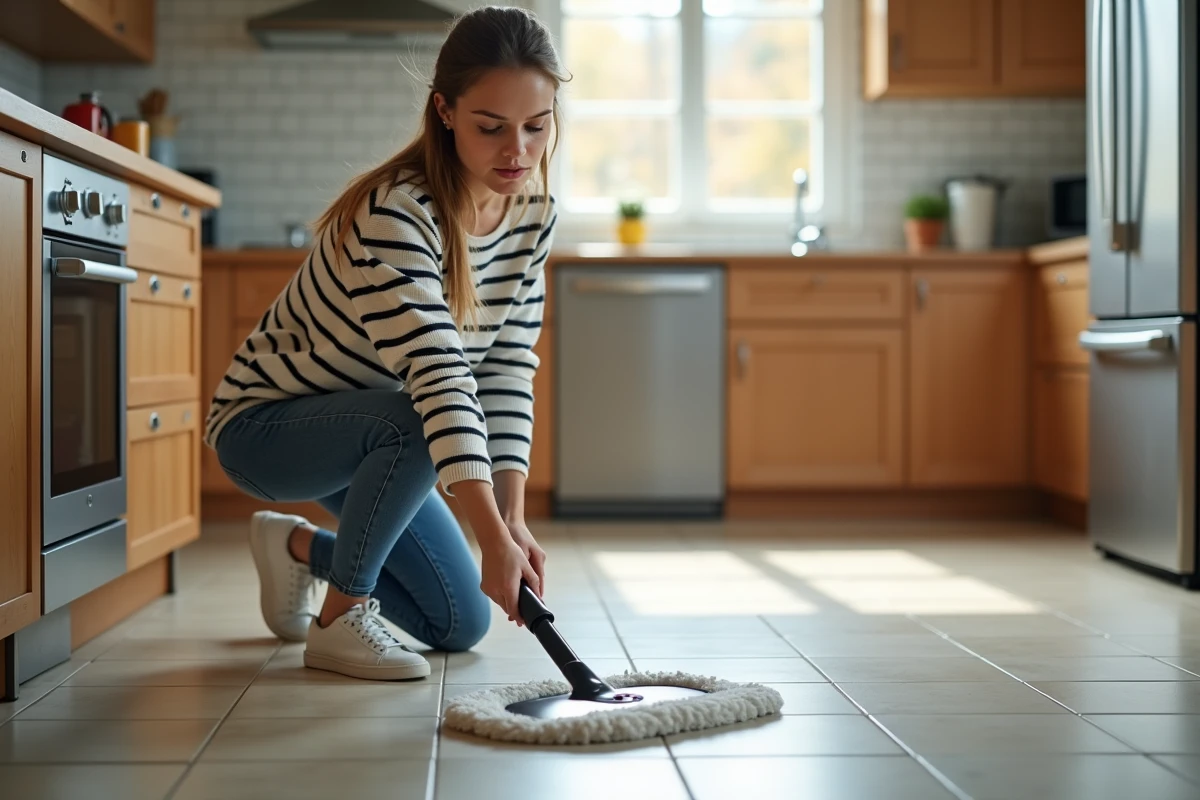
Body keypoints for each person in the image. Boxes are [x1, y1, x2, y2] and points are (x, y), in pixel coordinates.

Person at [203, 6, 565, 681]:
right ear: (445, 111)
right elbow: (438, 375)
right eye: (491, 127)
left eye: (535, 127)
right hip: (265, 430)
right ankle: (339, 620)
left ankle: (297, 549)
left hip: (383, 436)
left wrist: (511, 523)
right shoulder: (396, 212)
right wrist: (488, 536)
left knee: (459, 622)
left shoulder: (532, 215)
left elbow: (509, 367)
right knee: (417, 420)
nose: (517, 152)